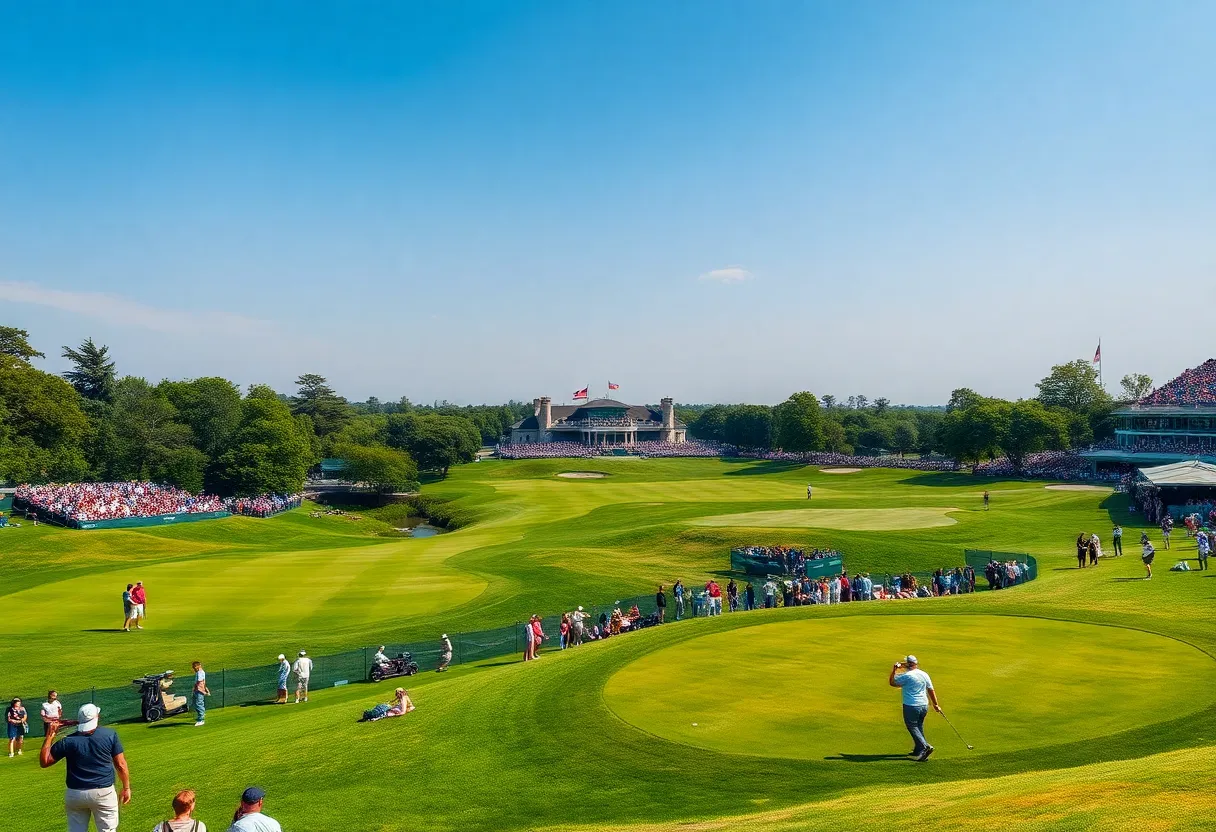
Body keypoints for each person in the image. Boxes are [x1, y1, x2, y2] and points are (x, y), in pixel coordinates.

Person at [40, 704, 131, 832]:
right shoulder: (110, 735)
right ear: (97, 716)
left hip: (76, 793)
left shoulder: (68, 741)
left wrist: (50, 736)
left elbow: (45, 761)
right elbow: (121, 765)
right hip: (103, 792)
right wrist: (126, 787)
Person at [888, 655, 941, 761]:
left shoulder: (907, 676)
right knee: (918, 726)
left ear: (908, 664)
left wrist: (895, 669)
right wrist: (936, 704)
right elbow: (931, 690)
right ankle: (919, 749)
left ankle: (925, 746)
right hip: (923, 705)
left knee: (911, 726)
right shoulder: (924, 674)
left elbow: (892, 682)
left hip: (911, 705)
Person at [192, 661, 209, 726]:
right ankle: (201, 714)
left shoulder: (200, 672)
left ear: (198, 666)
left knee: (199, 703)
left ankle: (201, 719)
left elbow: (199, 680)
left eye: (194, 667)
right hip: (197, 690)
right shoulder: (199, 672)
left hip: (200, 690)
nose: (194, 668)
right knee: (197, 703)